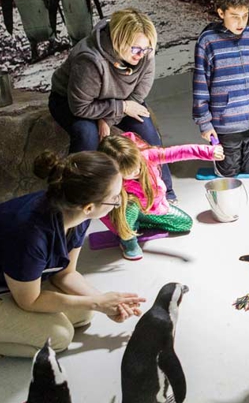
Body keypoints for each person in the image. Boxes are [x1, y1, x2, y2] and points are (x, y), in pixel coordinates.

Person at [0, 151, 146, 358]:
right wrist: (97, 302)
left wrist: (103, 300)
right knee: (59, 337)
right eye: (115, 198)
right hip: (16, 289)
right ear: (89, 207)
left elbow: (65, 274)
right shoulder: (29, 234)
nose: (119, 202)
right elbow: (29, 301)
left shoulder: (75, 212)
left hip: (18, 281)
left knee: (83, 313)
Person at [49, 8, 177, 202]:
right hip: (72, 101)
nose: (141, 54)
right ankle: (76, 197)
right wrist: (120, 108)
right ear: (119, 40)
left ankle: (165, 192)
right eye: (136, 49)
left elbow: (139, 93)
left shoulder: (144, 54)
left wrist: (108, 118)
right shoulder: (90, 59)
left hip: (123, 99)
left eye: (147, 49)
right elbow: (80, 107)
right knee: (87, 135)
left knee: (148, 132)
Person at [192, 0, 249, 177]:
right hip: (226, 124)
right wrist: (205, 124)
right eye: (234, 16)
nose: (241, 22)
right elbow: (200, 86)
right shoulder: (207, 42)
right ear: (221, 12)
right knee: (228, 174)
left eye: (245, 15)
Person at [98, 132, 224, 261]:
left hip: (151, 208)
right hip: (125, 214)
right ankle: (128, 240)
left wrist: (208, 152)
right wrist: (121, 231)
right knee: (129, 205)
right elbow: (101, 212)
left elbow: (178, 152)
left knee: (185, 223)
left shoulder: (147, 156)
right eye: (129, 172)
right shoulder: (110, 181)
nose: (136, 172)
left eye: (137, 166)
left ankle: (138, 222)